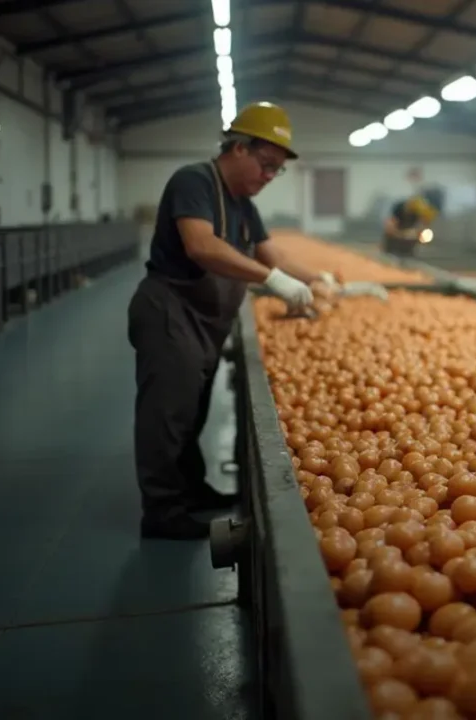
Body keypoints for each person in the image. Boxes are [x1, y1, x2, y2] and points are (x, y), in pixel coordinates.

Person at [127, 101, 338, 540]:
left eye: (276, 171)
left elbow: (270, 253)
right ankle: (162, 512)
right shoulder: (195, 181)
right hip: (171, 310)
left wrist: (319, 278)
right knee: (167, 413)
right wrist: (272, 281)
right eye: (265, 164)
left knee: (192, 409)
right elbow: (201, 246)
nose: (267, 177)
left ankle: (192, 490)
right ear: (238, 149)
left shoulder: (243, 203)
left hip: (203, 321)